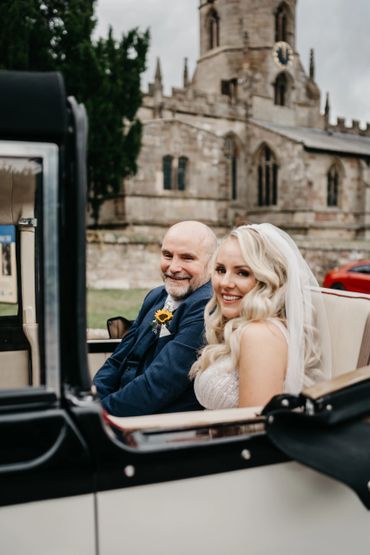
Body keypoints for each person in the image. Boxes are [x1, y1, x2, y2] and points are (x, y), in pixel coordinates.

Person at [190, 223, 331, 409]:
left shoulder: (260, 335)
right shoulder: (245, 326)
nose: (225, 282)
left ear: (268, 279)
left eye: (242, 273)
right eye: (221, 270)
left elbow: (253, 426)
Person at [93, 220, 218, 417]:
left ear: (212, 265)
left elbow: (159, 384)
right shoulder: (156, 296)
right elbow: (119, 358)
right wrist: (93, 398)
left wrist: (100, 414)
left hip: (163, 421)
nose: (174, 267)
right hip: (123, 408)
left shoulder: (207, 307)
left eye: (187, 258)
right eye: (167, 255)